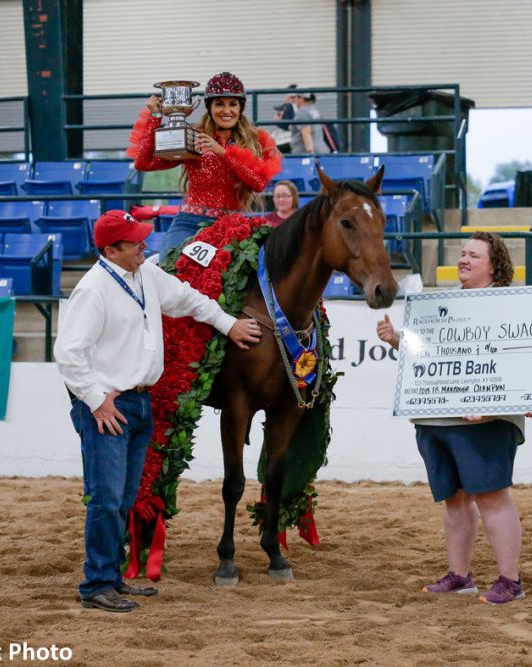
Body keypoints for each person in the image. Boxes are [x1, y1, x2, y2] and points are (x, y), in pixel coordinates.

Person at [54, 210, 263, 613]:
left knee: (124, 496)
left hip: (137, 402)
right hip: (110, 406)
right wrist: (96, 400)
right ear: (111, 249)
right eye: (134, 242)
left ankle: (110, 579)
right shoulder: (93, 289)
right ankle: (96, 583)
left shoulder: (145, 274)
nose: (143, 245)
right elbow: (68, 353)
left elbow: (188, 299)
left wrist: (227, 323)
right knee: (106, 497)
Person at [376, 231, 532, 606]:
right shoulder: (440, 304)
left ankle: (510, 580)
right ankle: (460, 576)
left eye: (473, 256)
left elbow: (525, 354)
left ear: (494, 266)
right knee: (454, 500)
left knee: (492, 497)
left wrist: (504, 402)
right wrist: (398, 340)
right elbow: (430, 357)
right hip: (436, 417)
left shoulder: (510, 305)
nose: (463, 259)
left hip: (485, 420)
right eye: (462, 254)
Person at [128, 71, 282, 262]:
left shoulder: (255, 141)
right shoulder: (195, 137)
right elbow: (143, 163)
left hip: (231, 227)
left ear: (240, 108)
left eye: (232, 104)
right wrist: (156, 117)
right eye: (219, 104)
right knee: (168, 267)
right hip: (189, 224)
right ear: (209, 107)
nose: (227, 110)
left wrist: (223, 153)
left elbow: (258, 183)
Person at [288, 91, 329, 155]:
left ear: (301, 98)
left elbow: (306, 132)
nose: (294, 100)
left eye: (295, 97)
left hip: (304, 152)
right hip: (320, 149)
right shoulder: (313, 110)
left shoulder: (302, 112)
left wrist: (310, 153)